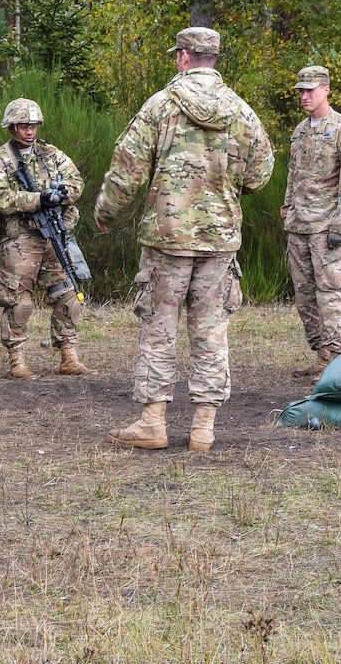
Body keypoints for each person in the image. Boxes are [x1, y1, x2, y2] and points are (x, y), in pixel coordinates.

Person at [93, 27, 274, 452]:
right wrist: (225, 189)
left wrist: (106, 213)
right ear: (213, 58)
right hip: (220, 239)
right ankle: (203, 428)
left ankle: (153, 422)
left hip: (167, 238)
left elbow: (127, 169)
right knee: (211, 331)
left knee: (160, 327)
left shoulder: (160, 106)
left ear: (183, 57)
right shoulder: (241, 111)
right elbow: (261, 172)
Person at [0, 98, 95, 379]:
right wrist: (36, 199)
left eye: (33, 125)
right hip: (19, 240)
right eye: (23, 126)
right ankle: (17, 359)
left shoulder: (51, 153)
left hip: (53, 235)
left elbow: (76, 181)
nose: (29, 131)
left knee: (68, 295)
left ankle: (68, 353)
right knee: (19, 301)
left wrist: (62, 194)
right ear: (12, 127)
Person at [283, 65, 341, 378]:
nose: (305, 95)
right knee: (304, 295)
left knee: (329, 293)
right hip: (299, 226)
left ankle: (339, 359)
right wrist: (287, 212)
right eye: (301, 90)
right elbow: (293, 176)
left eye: (310, 89)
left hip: (326, 228)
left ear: (326, 89)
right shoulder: (300, 131)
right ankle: (322, 354)